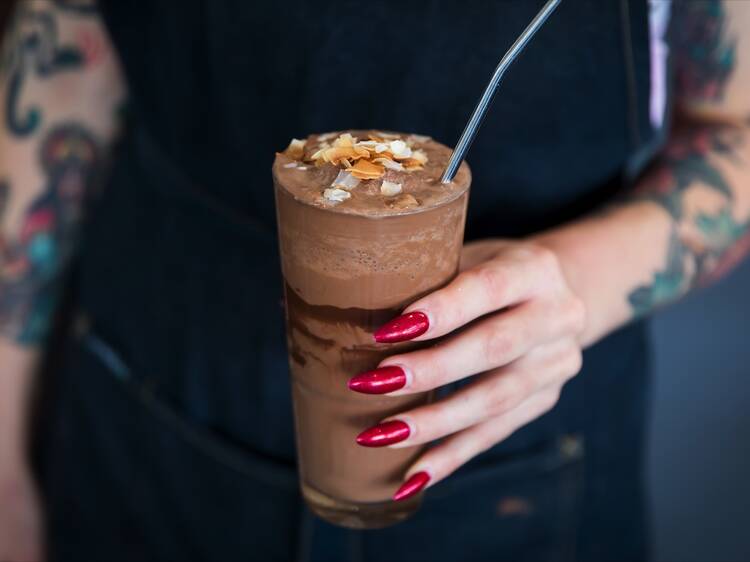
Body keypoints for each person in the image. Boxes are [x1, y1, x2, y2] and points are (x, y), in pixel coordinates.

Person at [0, 0, 748, 560]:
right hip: (147, 396)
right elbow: (66, 59)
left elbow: (736, 129)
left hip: (510, 444)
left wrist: (576, 281)